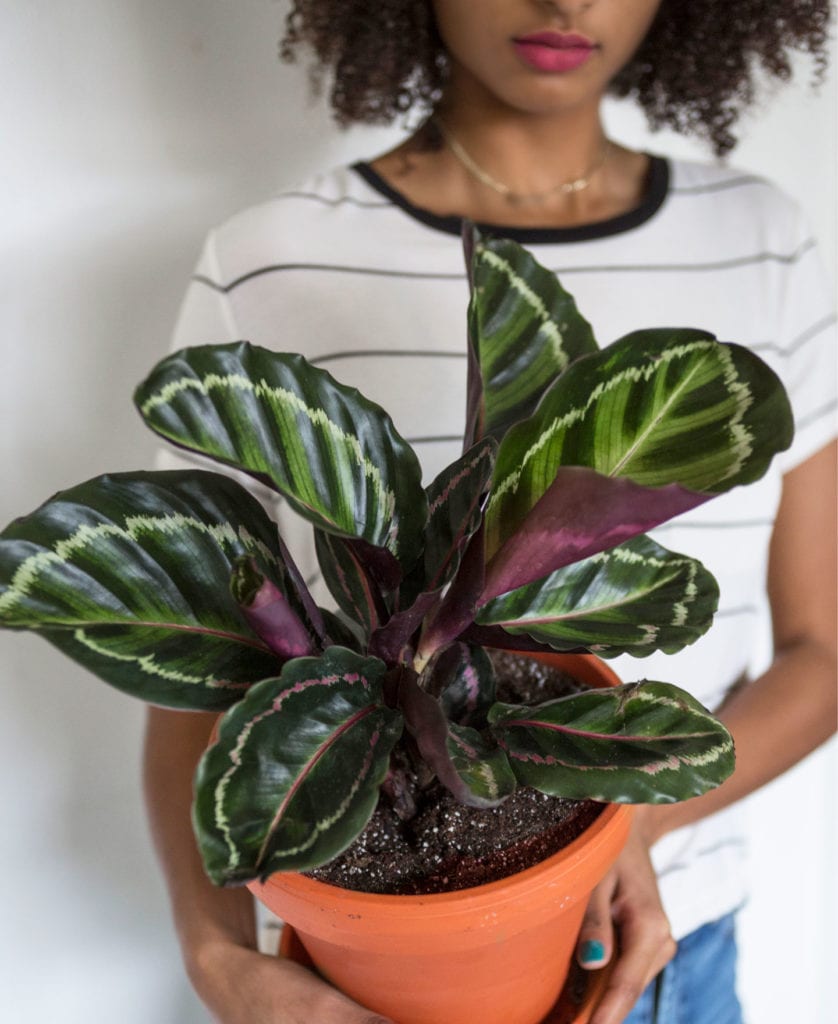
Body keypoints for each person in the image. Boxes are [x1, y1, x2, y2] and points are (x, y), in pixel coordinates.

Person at [144, 2, 837, 1022]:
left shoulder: (762, 238)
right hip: (370, 978)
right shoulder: (271, 255)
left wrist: (631, 819)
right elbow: (192, 678)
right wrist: (220, 962)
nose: (566, 1)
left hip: (674, 960)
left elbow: (821, 649)